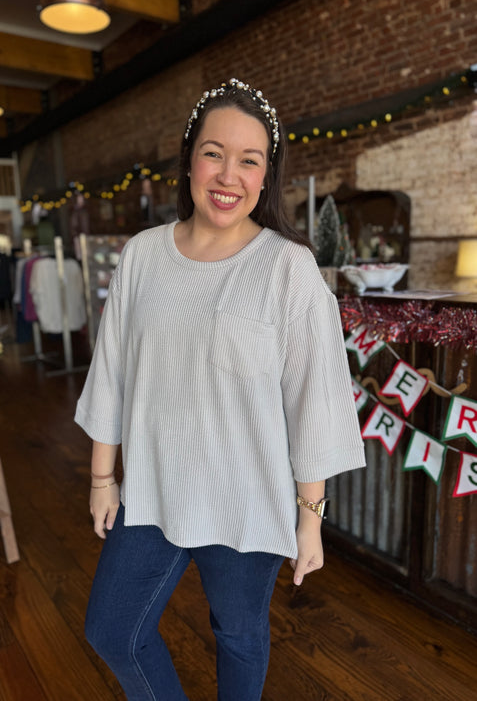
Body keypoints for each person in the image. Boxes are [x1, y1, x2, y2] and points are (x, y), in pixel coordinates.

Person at [75, 78, 366, 700]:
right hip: (153, 489)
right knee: (112, 632)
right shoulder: (143, 256)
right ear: (188, 162)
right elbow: (113, 370)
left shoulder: (287, 268)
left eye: (249, 159)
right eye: (213, 152)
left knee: (238, 636)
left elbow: (311, 397)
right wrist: (104, 477)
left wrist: (309, 518)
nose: (228, 173)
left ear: (266, 177)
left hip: (245, 497)